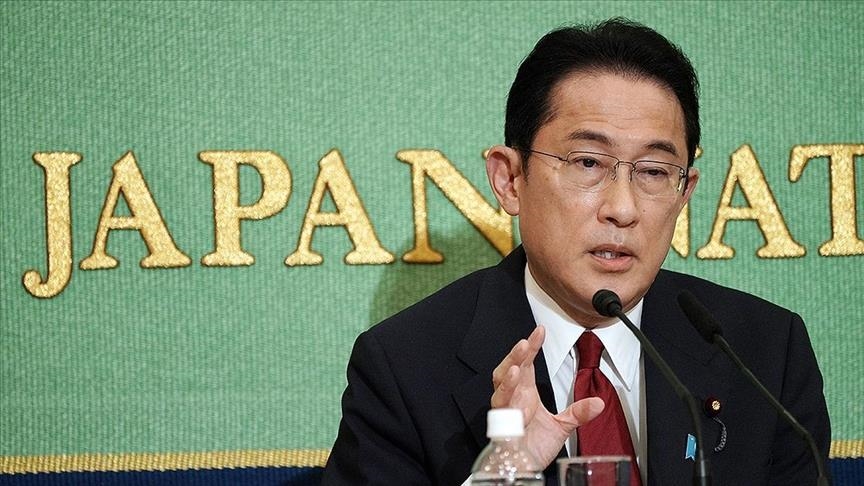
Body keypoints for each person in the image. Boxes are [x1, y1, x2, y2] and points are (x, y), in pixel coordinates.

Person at [321, 18, 831, 485]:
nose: (623, 209)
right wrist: (500, 477)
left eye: (654, 171)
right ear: (510, 179)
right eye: (588, 163)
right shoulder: (404, 367)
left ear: (684, 193)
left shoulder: (763, 354)